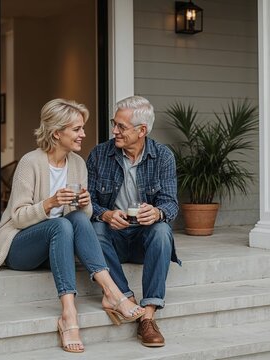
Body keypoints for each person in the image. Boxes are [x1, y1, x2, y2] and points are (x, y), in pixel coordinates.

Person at [0, 98, 144, 353]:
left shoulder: (77, 164)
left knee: (72, 220)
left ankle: (111, 292)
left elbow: (80, 218)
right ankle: (69, 313)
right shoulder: (30, 163)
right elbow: (17, 217)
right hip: (20, 247)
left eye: (82, 128)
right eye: (76, 129)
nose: (83, 134)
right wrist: (49, 203)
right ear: (56, 132)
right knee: (61, 226)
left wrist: (85, 204)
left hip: (56, 247)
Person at [86, 95, 179, 348]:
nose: (114, 130)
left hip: (143, 239)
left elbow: (171, 203)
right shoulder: (99, 154)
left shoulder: (163, 156)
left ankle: (147, 316)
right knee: (93, 228)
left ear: (142, 131)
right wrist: (106, 215)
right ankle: (124, 299)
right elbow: (87, 202)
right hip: (112, 236)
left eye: (121, 127)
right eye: (114, 124)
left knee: (162, 230)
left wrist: (158, 213)